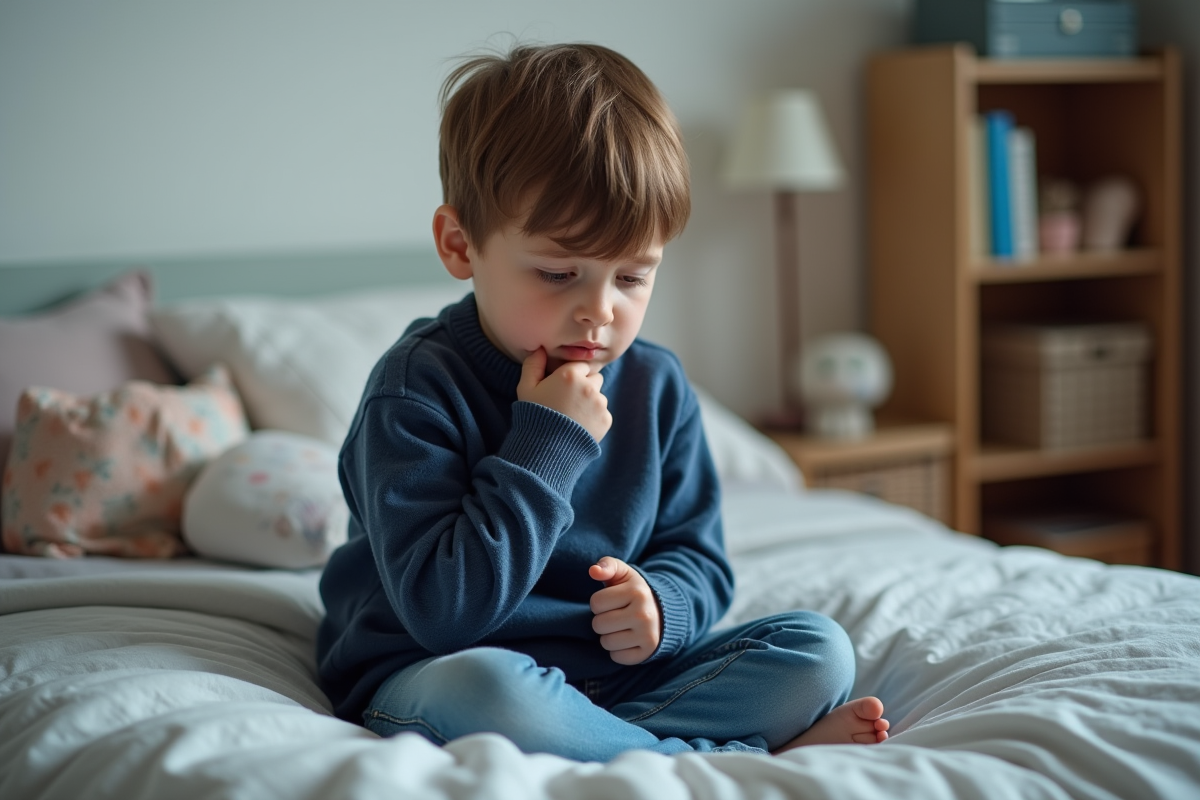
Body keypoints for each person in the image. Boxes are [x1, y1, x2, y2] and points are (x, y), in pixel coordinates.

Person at [316, 41, 888, 761]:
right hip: (443, 670)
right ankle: (717, 761)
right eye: (558, 273)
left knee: (818, 650)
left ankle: (615, 740)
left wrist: (662, 607)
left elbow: (697, 556)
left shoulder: (656, 385)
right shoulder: (415, 390)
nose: (599, 311)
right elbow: (444, 614)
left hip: (616, 679)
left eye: (632, 277)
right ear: (461, 246)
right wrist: (547, 441)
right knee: (488, 691)